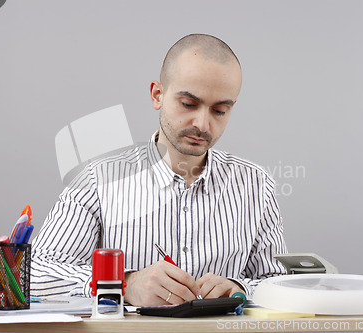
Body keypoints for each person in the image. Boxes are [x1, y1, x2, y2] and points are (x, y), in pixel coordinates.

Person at [31, 33, 287, 306]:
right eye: (188, 104)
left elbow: (279, 282)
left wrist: (239, 287)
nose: (202, 124)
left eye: (220, 111)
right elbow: (35, 272)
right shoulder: (97, 180)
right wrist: (123, 284)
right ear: (157, 95)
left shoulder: (255, 183)